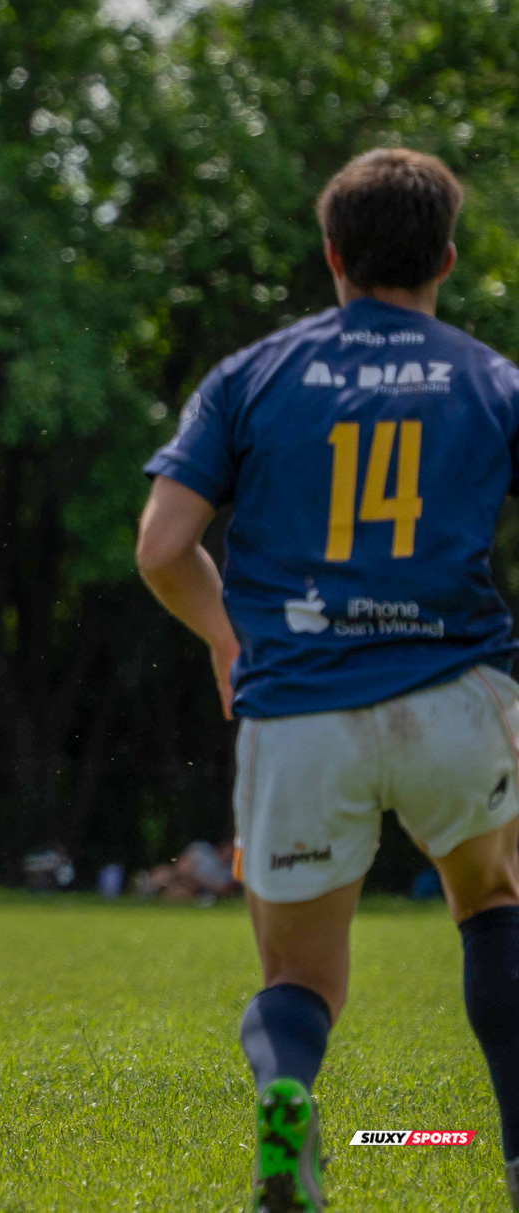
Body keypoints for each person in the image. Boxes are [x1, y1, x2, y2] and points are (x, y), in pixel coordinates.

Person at [137, 148, 519, 1212]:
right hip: (456, 695)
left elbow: (164, 547)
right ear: (445, 256)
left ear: (332, 254)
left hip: (300, 711)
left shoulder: (254, 374)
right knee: (493, 899)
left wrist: (227, 638)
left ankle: (291, 1102)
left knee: (299, 982)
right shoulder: (491, 378)